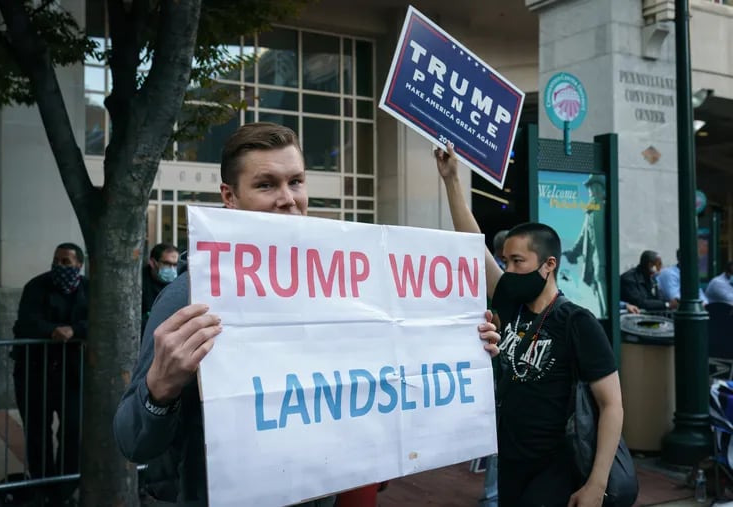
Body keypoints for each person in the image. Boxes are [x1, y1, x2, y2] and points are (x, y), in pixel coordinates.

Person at [115, 123, 502, 506]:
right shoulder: (188, 298)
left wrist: (460, 343)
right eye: (266, 185)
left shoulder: (350, 287)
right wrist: (158, 390)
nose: (287, 198)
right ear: (229, 197)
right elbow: (133, 443)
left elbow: (394, 371)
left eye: (296, 181)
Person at [435, 142, 623, 506]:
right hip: (510, 462)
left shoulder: (577, 322)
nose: (508, 269)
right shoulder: (513, 302)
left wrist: (596, 485)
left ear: (548, 265)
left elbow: (612, 404)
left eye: (518, 261)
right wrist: (452, 179)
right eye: (505, 261)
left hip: (556, 468)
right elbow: (472, 245)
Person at [12, 243, 87, 506]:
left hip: (72, 376)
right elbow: (26, 322)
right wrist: (53, 331)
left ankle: (65, 489)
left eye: (66, 262)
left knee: (72, 431)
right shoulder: (37, 286)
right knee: (37, 433)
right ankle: (43, 487)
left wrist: (74, 330)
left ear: (79, 264)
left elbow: (99, 320)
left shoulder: (89, 289)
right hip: (35, 374)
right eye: (57, 261)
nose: (60, 266)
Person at [562, 174, 607, 318]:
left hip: (604, 263)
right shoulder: (590, 212)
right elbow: (583, 237)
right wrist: (572, 253)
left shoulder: (606, 209)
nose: (591, 191)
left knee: (603, 289)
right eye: (590, 188)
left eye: (594, 187)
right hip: (596, 263)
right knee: (599, 289)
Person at [142, 243, 179, 334]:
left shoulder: (178, 284)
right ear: (153, 263)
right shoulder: (139, 283)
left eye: (175, 265)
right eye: (167, 264)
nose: (172, 269)